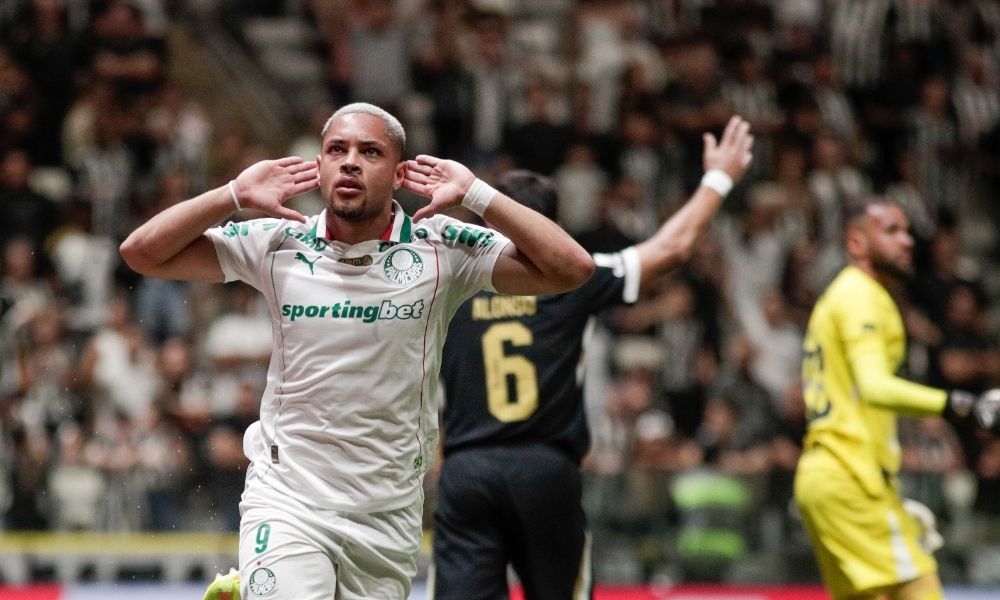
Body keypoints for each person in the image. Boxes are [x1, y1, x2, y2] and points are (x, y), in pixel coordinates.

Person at [119, 102, 594, 600]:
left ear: (400, 174)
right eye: (336, 150)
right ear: (319, 166)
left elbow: (573, 269)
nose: (349, 162)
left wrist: (477, 193)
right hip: (289, 499)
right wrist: (233, 193)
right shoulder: (278, 241)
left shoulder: (443, 248)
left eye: (370, 152)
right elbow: (141, 252)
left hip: (387, 514)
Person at [430, 115, 754, 600]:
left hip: (466, 469)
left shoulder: (449, 279)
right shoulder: (576, 278)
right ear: (551, 228)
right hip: (545, 468)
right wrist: (719, 178)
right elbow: (672, 247)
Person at [793, 197, 1000, 600]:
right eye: (891, 231)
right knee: (920, 587)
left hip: (832, 479)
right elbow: (874, 387)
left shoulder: (842, 294)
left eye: (906, 231)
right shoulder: (861, 296)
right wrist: (962, 406)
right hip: (851, 478)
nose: (907, 241)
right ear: (856, 243)